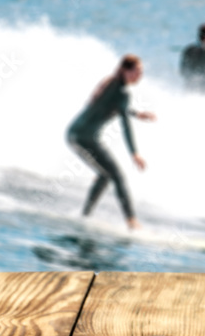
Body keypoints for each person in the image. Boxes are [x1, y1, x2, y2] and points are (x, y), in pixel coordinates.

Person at [66, 54, 155, 230]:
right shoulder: (122, 92)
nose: (139, 76)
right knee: (118, 176)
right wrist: (134, 152)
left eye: (141, 72)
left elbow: (117, 108)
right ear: (125, 70)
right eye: (136, 71)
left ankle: (85, 216)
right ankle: (131, 221)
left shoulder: (110, 83)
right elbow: (124, 123)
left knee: (105, 175)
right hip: (87, 139)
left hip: (73, 134)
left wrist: (137, 114)